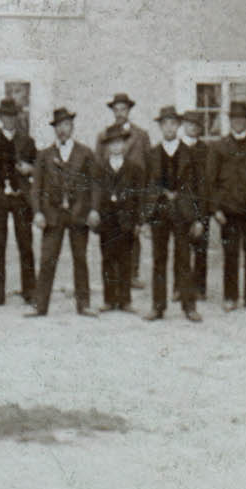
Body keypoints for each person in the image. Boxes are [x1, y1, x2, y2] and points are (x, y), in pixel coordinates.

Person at [26, 107, 99, 317]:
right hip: (52, 214)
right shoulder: (44, 155)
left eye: (66, 125)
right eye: (58, 126)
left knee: (80, 258)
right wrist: (37, 212)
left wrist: (94, 209)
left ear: (72, 127)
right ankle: (40, 306)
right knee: (47, 259)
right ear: (55, 129)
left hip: (78, 213)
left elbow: (95, 184)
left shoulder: (85, 153)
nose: (62, 130)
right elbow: (36, 187)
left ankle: (83, 304)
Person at [207, 100, 246, 312]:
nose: (238, 122)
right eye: (234, 119)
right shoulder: (219, 147)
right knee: (230, 254)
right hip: (229, 212)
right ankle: (230, 297)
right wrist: (215, 210)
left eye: (241, 119)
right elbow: (211, 180)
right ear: (229, 121)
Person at [144, 107, 204, 322]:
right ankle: (158, 307)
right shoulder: (152, 153)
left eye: (172, 123)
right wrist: (145, 219)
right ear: (160, 127)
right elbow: (147, 187)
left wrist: (198, 218)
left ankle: (189, 307)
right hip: (159, 213)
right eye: (165, 124)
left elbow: (197, 188)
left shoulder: (190, 154)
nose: (169, 128)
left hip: (183, 213)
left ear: (178, 126)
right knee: (159, 260)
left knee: (184, 259)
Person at [0, 98, 37, 307]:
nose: (9, 120)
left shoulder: (27, 141)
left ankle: (30, 290)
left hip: (20, 198)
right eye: (5, 116)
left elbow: (37, 166)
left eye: (12, 116)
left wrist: (29, 170)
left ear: (17, 117)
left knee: (25, 243)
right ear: (0, 118)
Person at [98, 93, 151, 288]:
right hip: (111, 193)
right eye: (116, 109)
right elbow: (98, 167)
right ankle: (114, 280)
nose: (120, 113)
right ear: (112, 111)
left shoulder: (142, 135)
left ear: (129, 111)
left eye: (123, 109)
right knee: (111, 239)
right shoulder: (104, 136)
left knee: (132, 235)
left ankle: (132, 274)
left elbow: (149, 166)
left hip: (133, 191)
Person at [95, 128, 140, 313]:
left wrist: (138, 221)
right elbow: (96, 194)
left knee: (125, 259)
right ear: (107, 146)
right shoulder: (100, 168)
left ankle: (125, 300)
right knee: (107, 258)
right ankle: (109, 299)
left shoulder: (134, 169)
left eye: (119, 142)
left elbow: (138, 197)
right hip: (107, 220)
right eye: (112, 143)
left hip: (126, 219)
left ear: (124, 145)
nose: (116, 146)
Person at [182, 114, 210, 305]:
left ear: (200, 128)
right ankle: (180, 288)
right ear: (183, 126)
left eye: (196, 125)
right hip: (181, 206)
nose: (192, 127)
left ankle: (200, 288)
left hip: (201, 203)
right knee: (181, 249)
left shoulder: (207, 150)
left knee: (201, 248)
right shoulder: (176, 148)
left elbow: (208, 182)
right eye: (189, 124)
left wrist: (203, 211)